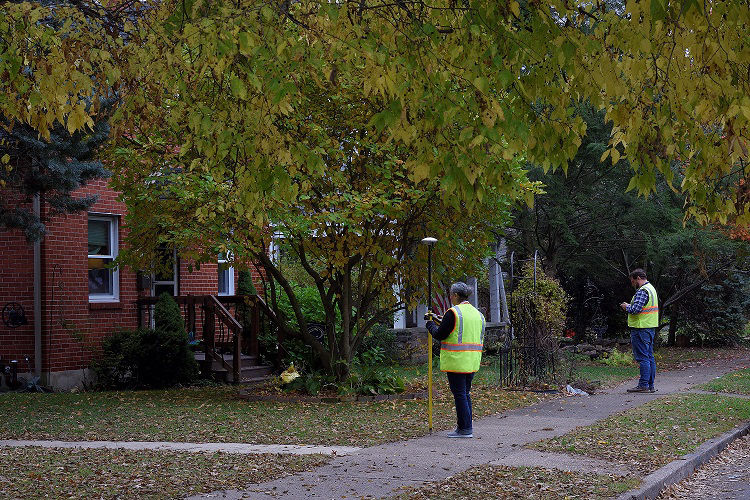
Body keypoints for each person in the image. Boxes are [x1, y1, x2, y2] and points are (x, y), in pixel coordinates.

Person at [425, 282, 485, 438]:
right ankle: (465, 427)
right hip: (472, 360)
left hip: (457, 360)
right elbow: (453, 328)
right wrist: (438, 320)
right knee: (465, 394)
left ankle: (465, 429)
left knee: (460, 394)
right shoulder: (477, 314)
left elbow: (440, 334)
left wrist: (430, 324)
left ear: (456, 295)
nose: (450, 297)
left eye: (451, 294)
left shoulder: (454, 312)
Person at [620, 268, 659, 393]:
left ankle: (643, 385)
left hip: (641, 328)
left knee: (643, 358)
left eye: (633, 281)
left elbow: (636, 309)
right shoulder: (651, 288)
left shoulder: (643, 291)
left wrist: (626, 307)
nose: (632, 284)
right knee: (649, 357)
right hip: (650, 327)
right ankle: (650, 385)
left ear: (638, 278)